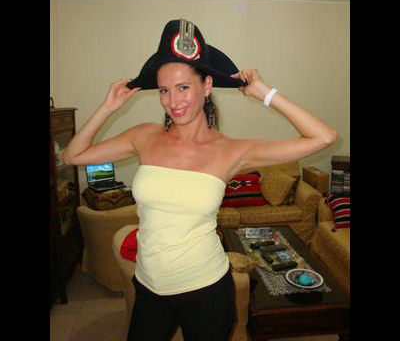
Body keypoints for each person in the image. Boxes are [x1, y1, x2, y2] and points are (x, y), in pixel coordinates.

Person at [62, 19, 337, 341]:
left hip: (206, 290)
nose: (172, 101)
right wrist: (108, 107)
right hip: (149, 286)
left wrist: (264, 93)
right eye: (164, 90)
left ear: (207, 86)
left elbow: (324, 137)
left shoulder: (232, 151)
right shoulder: (144, 136)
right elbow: (72, 156)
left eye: (183, 87)